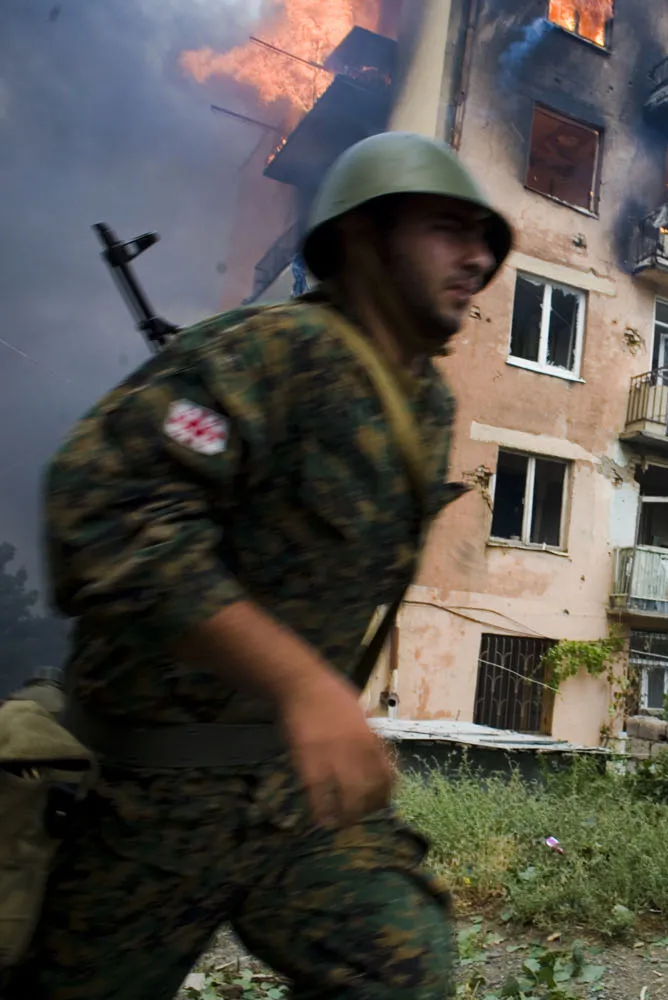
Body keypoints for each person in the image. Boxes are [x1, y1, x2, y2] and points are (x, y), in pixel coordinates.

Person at [13, 131, 513, 1000]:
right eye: (446, 228)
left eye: (484, 239)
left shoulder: (425, 405)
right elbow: (102, 513)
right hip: (146, 793)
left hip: (290, 796)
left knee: (401, 964)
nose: (476, 259)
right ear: (362, 236)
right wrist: (303, 685)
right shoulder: (264, 352)